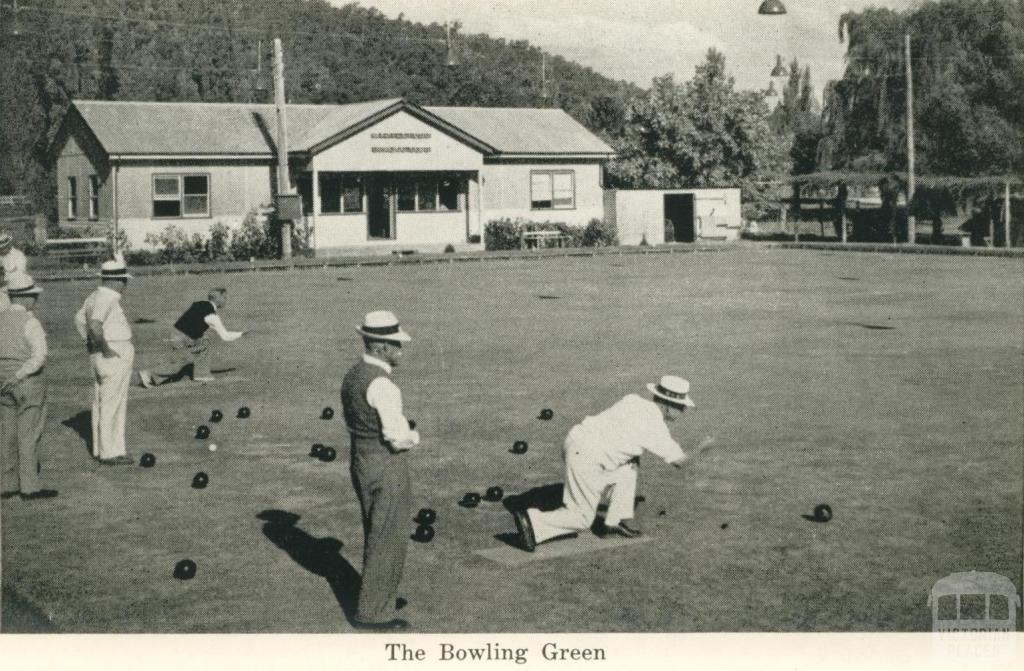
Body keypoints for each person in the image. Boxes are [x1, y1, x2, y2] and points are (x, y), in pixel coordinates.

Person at [511, 376, 698, 552]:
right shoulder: (655, 427)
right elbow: (680, 462)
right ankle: (533, 521)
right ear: (668, 406)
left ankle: (612, 523)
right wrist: (703, 449)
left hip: (575, 441)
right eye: (681, 406)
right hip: (586, 459)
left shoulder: (633, 400)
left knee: (629, 464)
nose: (683, 411)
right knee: (582, 518)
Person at [341, 310, 420, 631]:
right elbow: (397, 438)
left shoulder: (354, 374)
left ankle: (378, 594)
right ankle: (374, 612)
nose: (400, 349)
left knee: (376, 529)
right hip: (386, 464)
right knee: (388, 536)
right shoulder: (384, 386)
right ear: (381, 347)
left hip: (361, 458)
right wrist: (414, 436)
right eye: (395, 344)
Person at [1, 273, 58, 500]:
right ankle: (29, 486)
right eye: (33, 295)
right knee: (29, 434)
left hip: (3, 383)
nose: (36, 299)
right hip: (27, 382)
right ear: (25, 297)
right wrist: (19, 374)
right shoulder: (30, 322)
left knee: (6, 434)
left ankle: (6, 484)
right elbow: (39, 356)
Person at [74, 256, 135, 465]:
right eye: (124, 280)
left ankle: (105, 449)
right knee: (112, 402)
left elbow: (79, 320)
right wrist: (106, 349)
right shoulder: (107, 298)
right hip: (113, 352)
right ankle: (110, 452)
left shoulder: (94, 296)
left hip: (100, 354)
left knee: (103, 401)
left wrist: (90, 344)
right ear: (117, 280)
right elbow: (94, 325)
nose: (125, 285)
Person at [139, 287, 246, 387]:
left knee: (204, 342)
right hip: (181, 337)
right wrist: (242, 334)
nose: (226, 300)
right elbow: (225, 336)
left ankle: (201, 374)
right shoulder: (212, 316)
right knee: (182, 361)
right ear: (216, 299)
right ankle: (149, 374)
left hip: (176, 334)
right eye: (224, 298)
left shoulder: (199, 304)